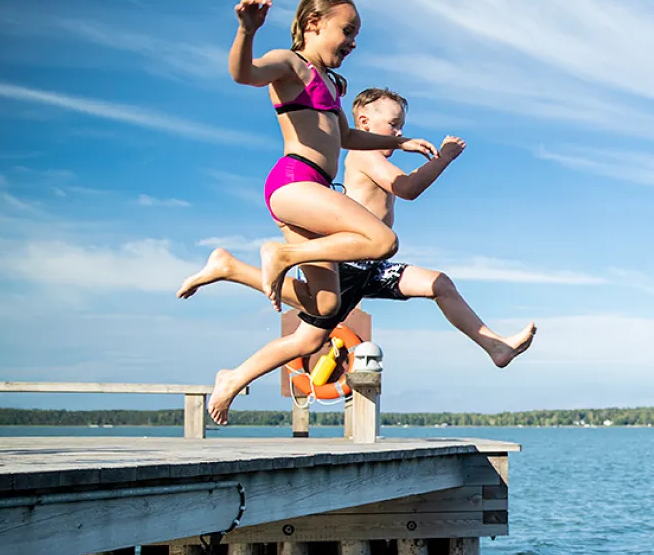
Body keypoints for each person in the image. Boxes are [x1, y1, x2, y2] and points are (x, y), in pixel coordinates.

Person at [184, 89, 535, 424]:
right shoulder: (365, 155)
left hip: (372, 265)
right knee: (308, 340)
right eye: (393, 124)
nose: (399, 133)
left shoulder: (372, 157)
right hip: (350, 264)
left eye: (401, 126)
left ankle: (494, 347)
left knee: (439, 284)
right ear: (364, 123)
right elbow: (408, 189)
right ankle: (233, 374)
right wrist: (444, 158)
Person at [205, 0, 437, 425]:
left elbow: (346, 137)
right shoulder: (291, 64)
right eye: (346, 31)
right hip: (294, 180)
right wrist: (245, 31)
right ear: (314, 24)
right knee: (381, 239)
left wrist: (397, 141)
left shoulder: (333, 82)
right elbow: (243, 73)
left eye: (356, 35)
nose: (352, 42)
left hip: (313, 186)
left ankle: (230, 288)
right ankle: (282, 255)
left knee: (325, 308)